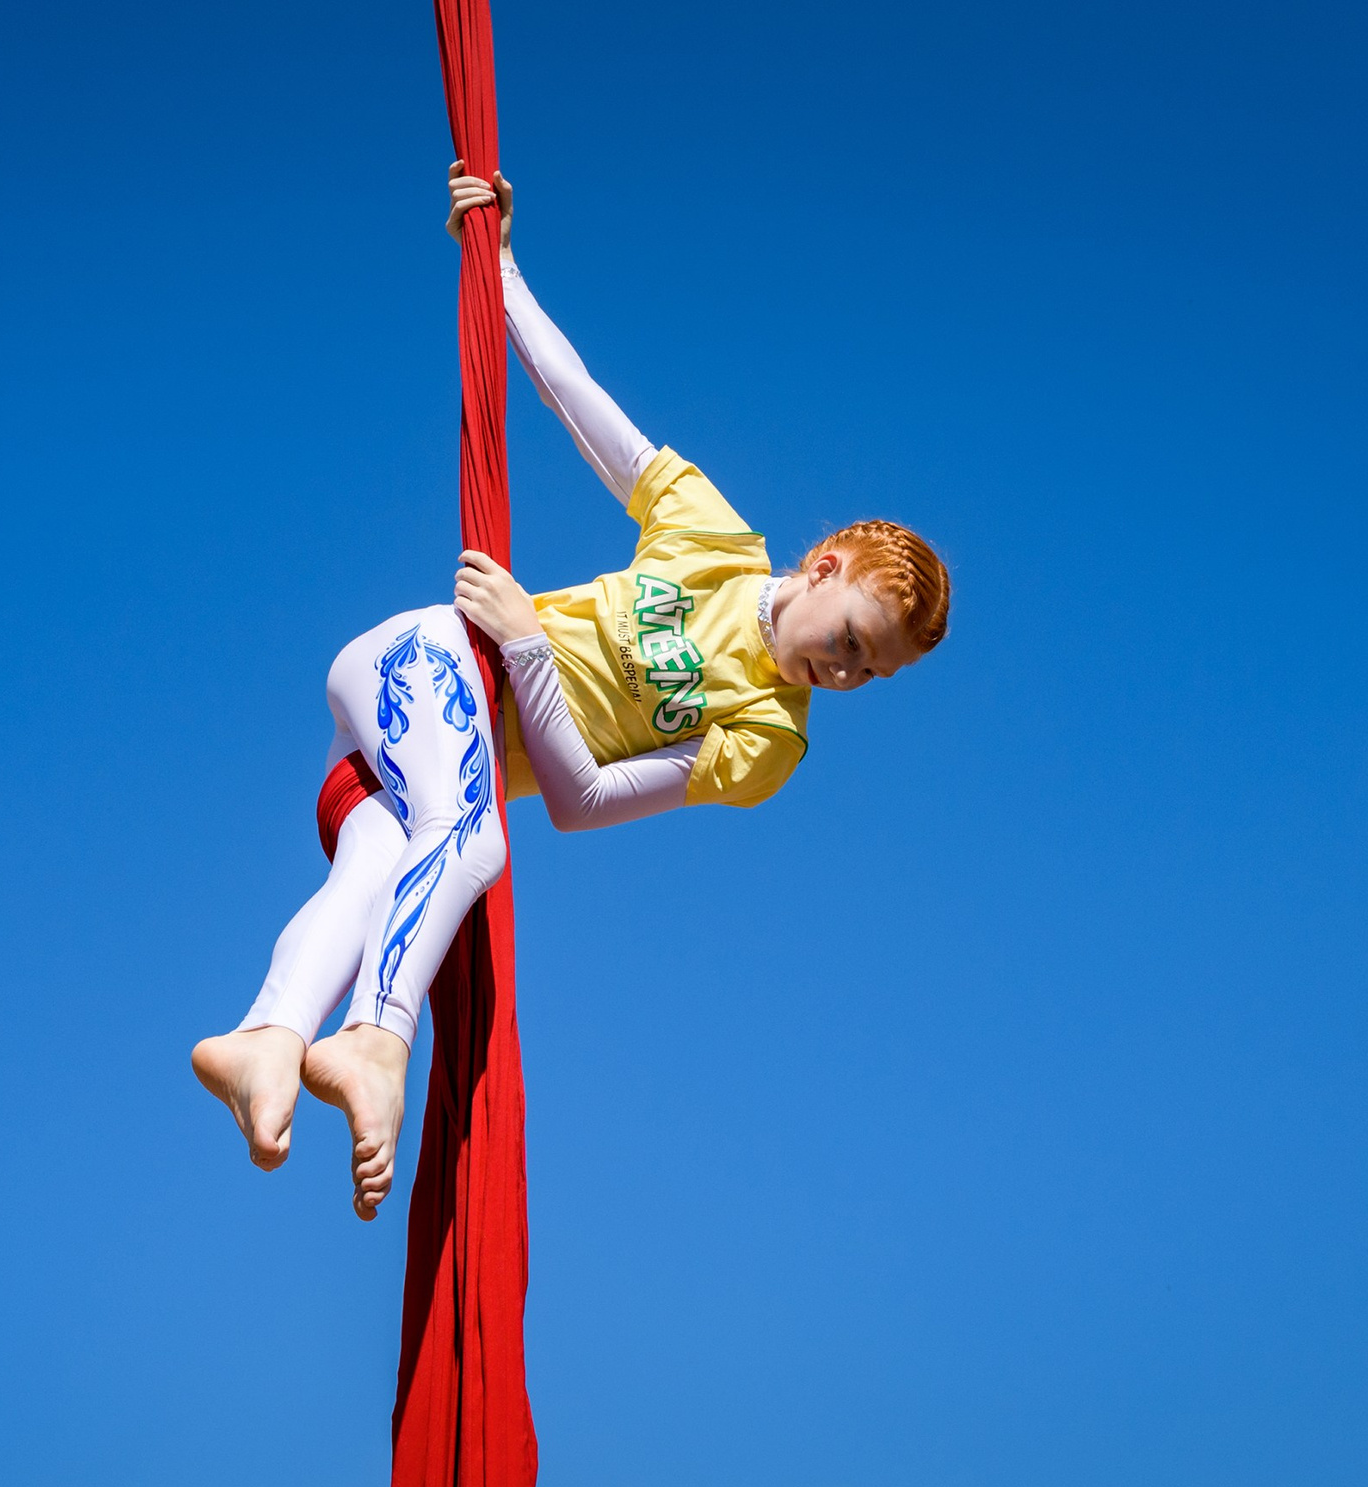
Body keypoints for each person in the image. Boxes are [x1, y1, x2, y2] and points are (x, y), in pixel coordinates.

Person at [192, 164, 953, 1221]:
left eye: (873, 674)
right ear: (822, 567)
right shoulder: (717, 544)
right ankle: (373, 1038)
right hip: (428, 663)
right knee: (473, 844)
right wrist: (496, 269)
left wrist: (535, 656)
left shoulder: (769, 738)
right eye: (855, 641)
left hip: (415, 765)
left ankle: (267, 1037)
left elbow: (583, 801)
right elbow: (575, 398)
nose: (848, 673)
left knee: (382, 874)